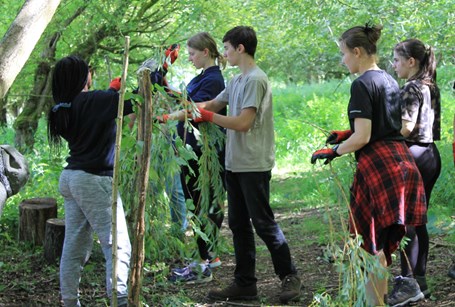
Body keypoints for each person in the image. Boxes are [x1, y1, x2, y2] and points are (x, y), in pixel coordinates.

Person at [173, 26, 301, 304]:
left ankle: (289, 276)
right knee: (239, 224)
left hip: (253, 164)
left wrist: (206, 117)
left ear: (240, 48)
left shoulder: (256, 79)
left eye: (228, 48)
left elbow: (243, 122)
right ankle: (245, 284)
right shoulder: (237, 80)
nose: (225, 53)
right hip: (234, 163)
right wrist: (174, 113)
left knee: (263, 223)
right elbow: (211, 104)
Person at [310, 24, 427, 306]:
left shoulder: (361, 84)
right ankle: (379, 300)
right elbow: (385, 127)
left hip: (379, 168)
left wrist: (334, 150)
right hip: (401, 162)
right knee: (382, 244)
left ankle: (374, 302)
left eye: (343, 54)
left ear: (358, 52)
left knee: (370, 243)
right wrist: (345, 135)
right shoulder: (388, 78)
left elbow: (363, 137)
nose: (342, 60)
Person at [47, 55, 133, 307]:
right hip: (93, 181)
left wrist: (111, 91)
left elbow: (99, 105)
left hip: (72, 178)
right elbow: (135, 100)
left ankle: (70, 301)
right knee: (117, 244)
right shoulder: (94, 101)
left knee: (75, 244)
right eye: (88, 72)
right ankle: (120, 300)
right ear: (83, 77)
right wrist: (157, 70)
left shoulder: (63, 107)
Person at [170, 32, 227, 283]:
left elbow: (198, 108)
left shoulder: (214, 79)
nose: (190, 58)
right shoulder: (202, 77)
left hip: (203, 152)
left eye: (193, 53)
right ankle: (206, 257)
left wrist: (173, 114)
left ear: (206, 52)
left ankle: (205, 260)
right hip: (192, 150)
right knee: (196, 200)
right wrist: (169, 91)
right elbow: (189, 101)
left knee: (202, 200)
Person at [390, 38, 442, 303]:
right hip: (431, 155)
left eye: (397, 60)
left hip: (413, 155)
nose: (394, 65)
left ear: (411, 62)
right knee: (418, 221)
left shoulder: (411, 86)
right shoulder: (430, 85)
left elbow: (406, 127)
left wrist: (380, 134)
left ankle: (407, 283)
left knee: (406, 221)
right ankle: (418, 281)